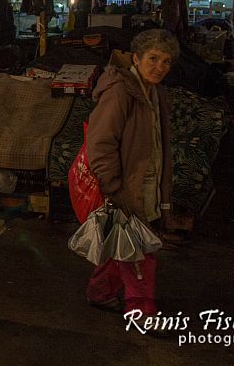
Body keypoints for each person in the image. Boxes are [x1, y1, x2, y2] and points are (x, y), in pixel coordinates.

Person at [84, 29, 179, 323]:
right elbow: (100, 144)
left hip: (146, 186)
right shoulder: (120, 92)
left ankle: (100, 292)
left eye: (166, 62)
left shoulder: (153, 93)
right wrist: (115, 187)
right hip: (127, 188)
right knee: (139, 254)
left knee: (121, 244)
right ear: (136, 58)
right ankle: (142, 313)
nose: (159, 67)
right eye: (153, 59)